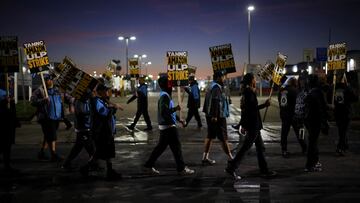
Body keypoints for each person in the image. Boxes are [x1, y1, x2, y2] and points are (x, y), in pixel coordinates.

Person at [226, 73, 276, 180]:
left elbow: (245, 111)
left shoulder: (247, 92)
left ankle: (264, 170)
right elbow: (250, 109)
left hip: (253, 125)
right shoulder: (249, 93)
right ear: (250, 81)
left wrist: (242, 125)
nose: (255, 80)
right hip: (253, 125)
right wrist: (265, 105)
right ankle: (232, 167)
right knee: (245, 148)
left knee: (260, 147)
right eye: (254, 79)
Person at [144, 75, 195, 175]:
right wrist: (175, 109)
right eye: (170, 83)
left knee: (165, 148)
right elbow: (164, 112)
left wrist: (179, 119)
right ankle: (181, 168)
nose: (172, 85)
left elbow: (168, 111)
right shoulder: (164, 96)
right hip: (168, 127)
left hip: (167, 126)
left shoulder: (165, 95)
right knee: (176, 148)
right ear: (166, 85)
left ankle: (148, 165)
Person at [80, 79, 123, 180]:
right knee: (103, 152)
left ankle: (105, 170)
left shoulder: (101, 100)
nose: (107, 92)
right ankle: (108, 171)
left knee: (103, 152)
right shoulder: (96, 101)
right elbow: (104, 113)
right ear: (99, 91)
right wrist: (113, 108)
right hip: (102, 131)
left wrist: (112, 107)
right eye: (105, 91)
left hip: (105, 130)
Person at [202, 71, 233, 166]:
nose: (224, 79)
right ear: (219, 77)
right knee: (223, 137)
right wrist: (215, 116)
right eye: (223, 77)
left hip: (210, 115)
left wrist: (227, 100)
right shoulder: (216, 88)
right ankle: (231, 158)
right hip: (217, 116)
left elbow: (218, 100)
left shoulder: (212, 86)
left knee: (210, 136)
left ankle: (205, 157)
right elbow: (215, 101)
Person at [31, 75, 64, 161]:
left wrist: (71, 103)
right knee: (52, 136)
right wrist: (42, 100)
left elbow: (67, 97)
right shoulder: (40, 90)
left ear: (52, 80)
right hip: (46, 117)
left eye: (48, 80)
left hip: (56, 116)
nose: (46, 82)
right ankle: (53, 154)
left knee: (48, 136)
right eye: (45, 80)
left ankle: (41, 153)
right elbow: (32, 101)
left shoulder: (57, 90)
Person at [62, 89, 95, 170]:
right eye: (91, 92)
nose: (93, 94)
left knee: (80, 146)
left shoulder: (86, 101)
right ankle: (92, 164)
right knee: (88, 147)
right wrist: (91, 113)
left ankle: (67, 163)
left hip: (85, 127)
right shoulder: (80, 101)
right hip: (83, 128)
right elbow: (81, 114)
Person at [278, 77, 307, 158]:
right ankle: (304, 147)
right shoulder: (295, 91)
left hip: (285, 115)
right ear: (294, 83)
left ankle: (284, 150)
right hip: (295, 115)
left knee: (284, 134)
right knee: (300, 132)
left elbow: (281, 104)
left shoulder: (282, 91)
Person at [304, 74, 327, 172]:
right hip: (315, 121)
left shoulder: (309, 93)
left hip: (308, 121)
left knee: (313, 142)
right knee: (312, 143)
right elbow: (321, 109)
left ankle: (315, 161)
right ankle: (310, 165)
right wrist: (324, 122)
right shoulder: (318, 93)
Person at [0, 76, 20, 174]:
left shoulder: (8, 93)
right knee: (4, 145)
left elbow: (12, 110)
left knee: (7, 146)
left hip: (9, 124)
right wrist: (4, 103)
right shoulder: (2, 93)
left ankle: (7, 165)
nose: (10, 83)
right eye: (8, 81)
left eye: (10, 81)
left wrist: (16, 121)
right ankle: (6, 165)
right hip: (3, 123)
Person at [333, 76, 358, 156]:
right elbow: (355, 98)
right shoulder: (347, 89)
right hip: (346, 113)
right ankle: (340, 148)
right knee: (344, 132)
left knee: (341, 131)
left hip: (337, 113)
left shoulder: (334, 89)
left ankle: (344, 146)